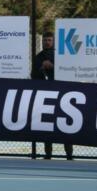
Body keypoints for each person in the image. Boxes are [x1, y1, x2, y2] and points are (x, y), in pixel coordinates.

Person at [31, 31, 73, 160]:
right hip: (46, 96)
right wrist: (41, 68)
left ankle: (69, 154)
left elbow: (67, 72)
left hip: (62, 95)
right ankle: (48, 154)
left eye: (49, 40)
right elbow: (34, 76)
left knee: (66, 124)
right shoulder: (38, 57)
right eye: (45, 40)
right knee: (47, 125)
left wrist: (53, 67)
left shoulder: (61, 56)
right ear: (42, 41)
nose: (47, 42)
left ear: (53, 41)